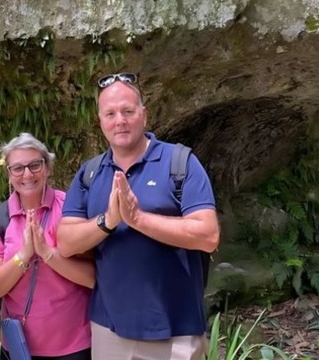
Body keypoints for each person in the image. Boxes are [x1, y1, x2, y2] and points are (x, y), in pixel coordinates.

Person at [57, 73, 220, 360]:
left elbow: (208, 235)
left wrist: (138, 219)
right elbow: (66, 242)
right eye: (110, 113)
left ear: (144, 115)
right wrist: (108, 221)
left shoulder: (180, 163)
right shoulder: (90, 173)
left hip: (177, 331)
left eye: (128, 111)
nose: (119, 120)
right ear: (100, 122)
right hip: (110, 331)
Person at [0, 133, 93, 360]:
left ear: (47, 168)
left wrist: (47, 253)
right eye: (18, 168)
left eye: (35, 165)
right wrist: (23, 255)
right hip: (18, 345)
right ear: (9, 174)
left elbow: (93, 278)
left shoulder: (71, 209)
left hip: (72, 345)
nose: (27, 174)